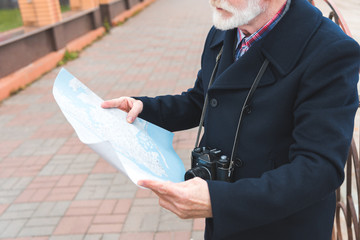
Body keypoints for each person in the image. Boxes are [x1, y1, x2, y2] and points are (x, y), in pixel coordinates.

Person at [101, 0, 360, 239]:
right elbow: (202, 98)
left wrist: (218, 201)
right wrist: (144, 109)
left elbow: (318, 169)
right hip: (224, 222)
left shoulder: (329, 50)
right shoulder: (228, 26)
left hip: (282, 227)